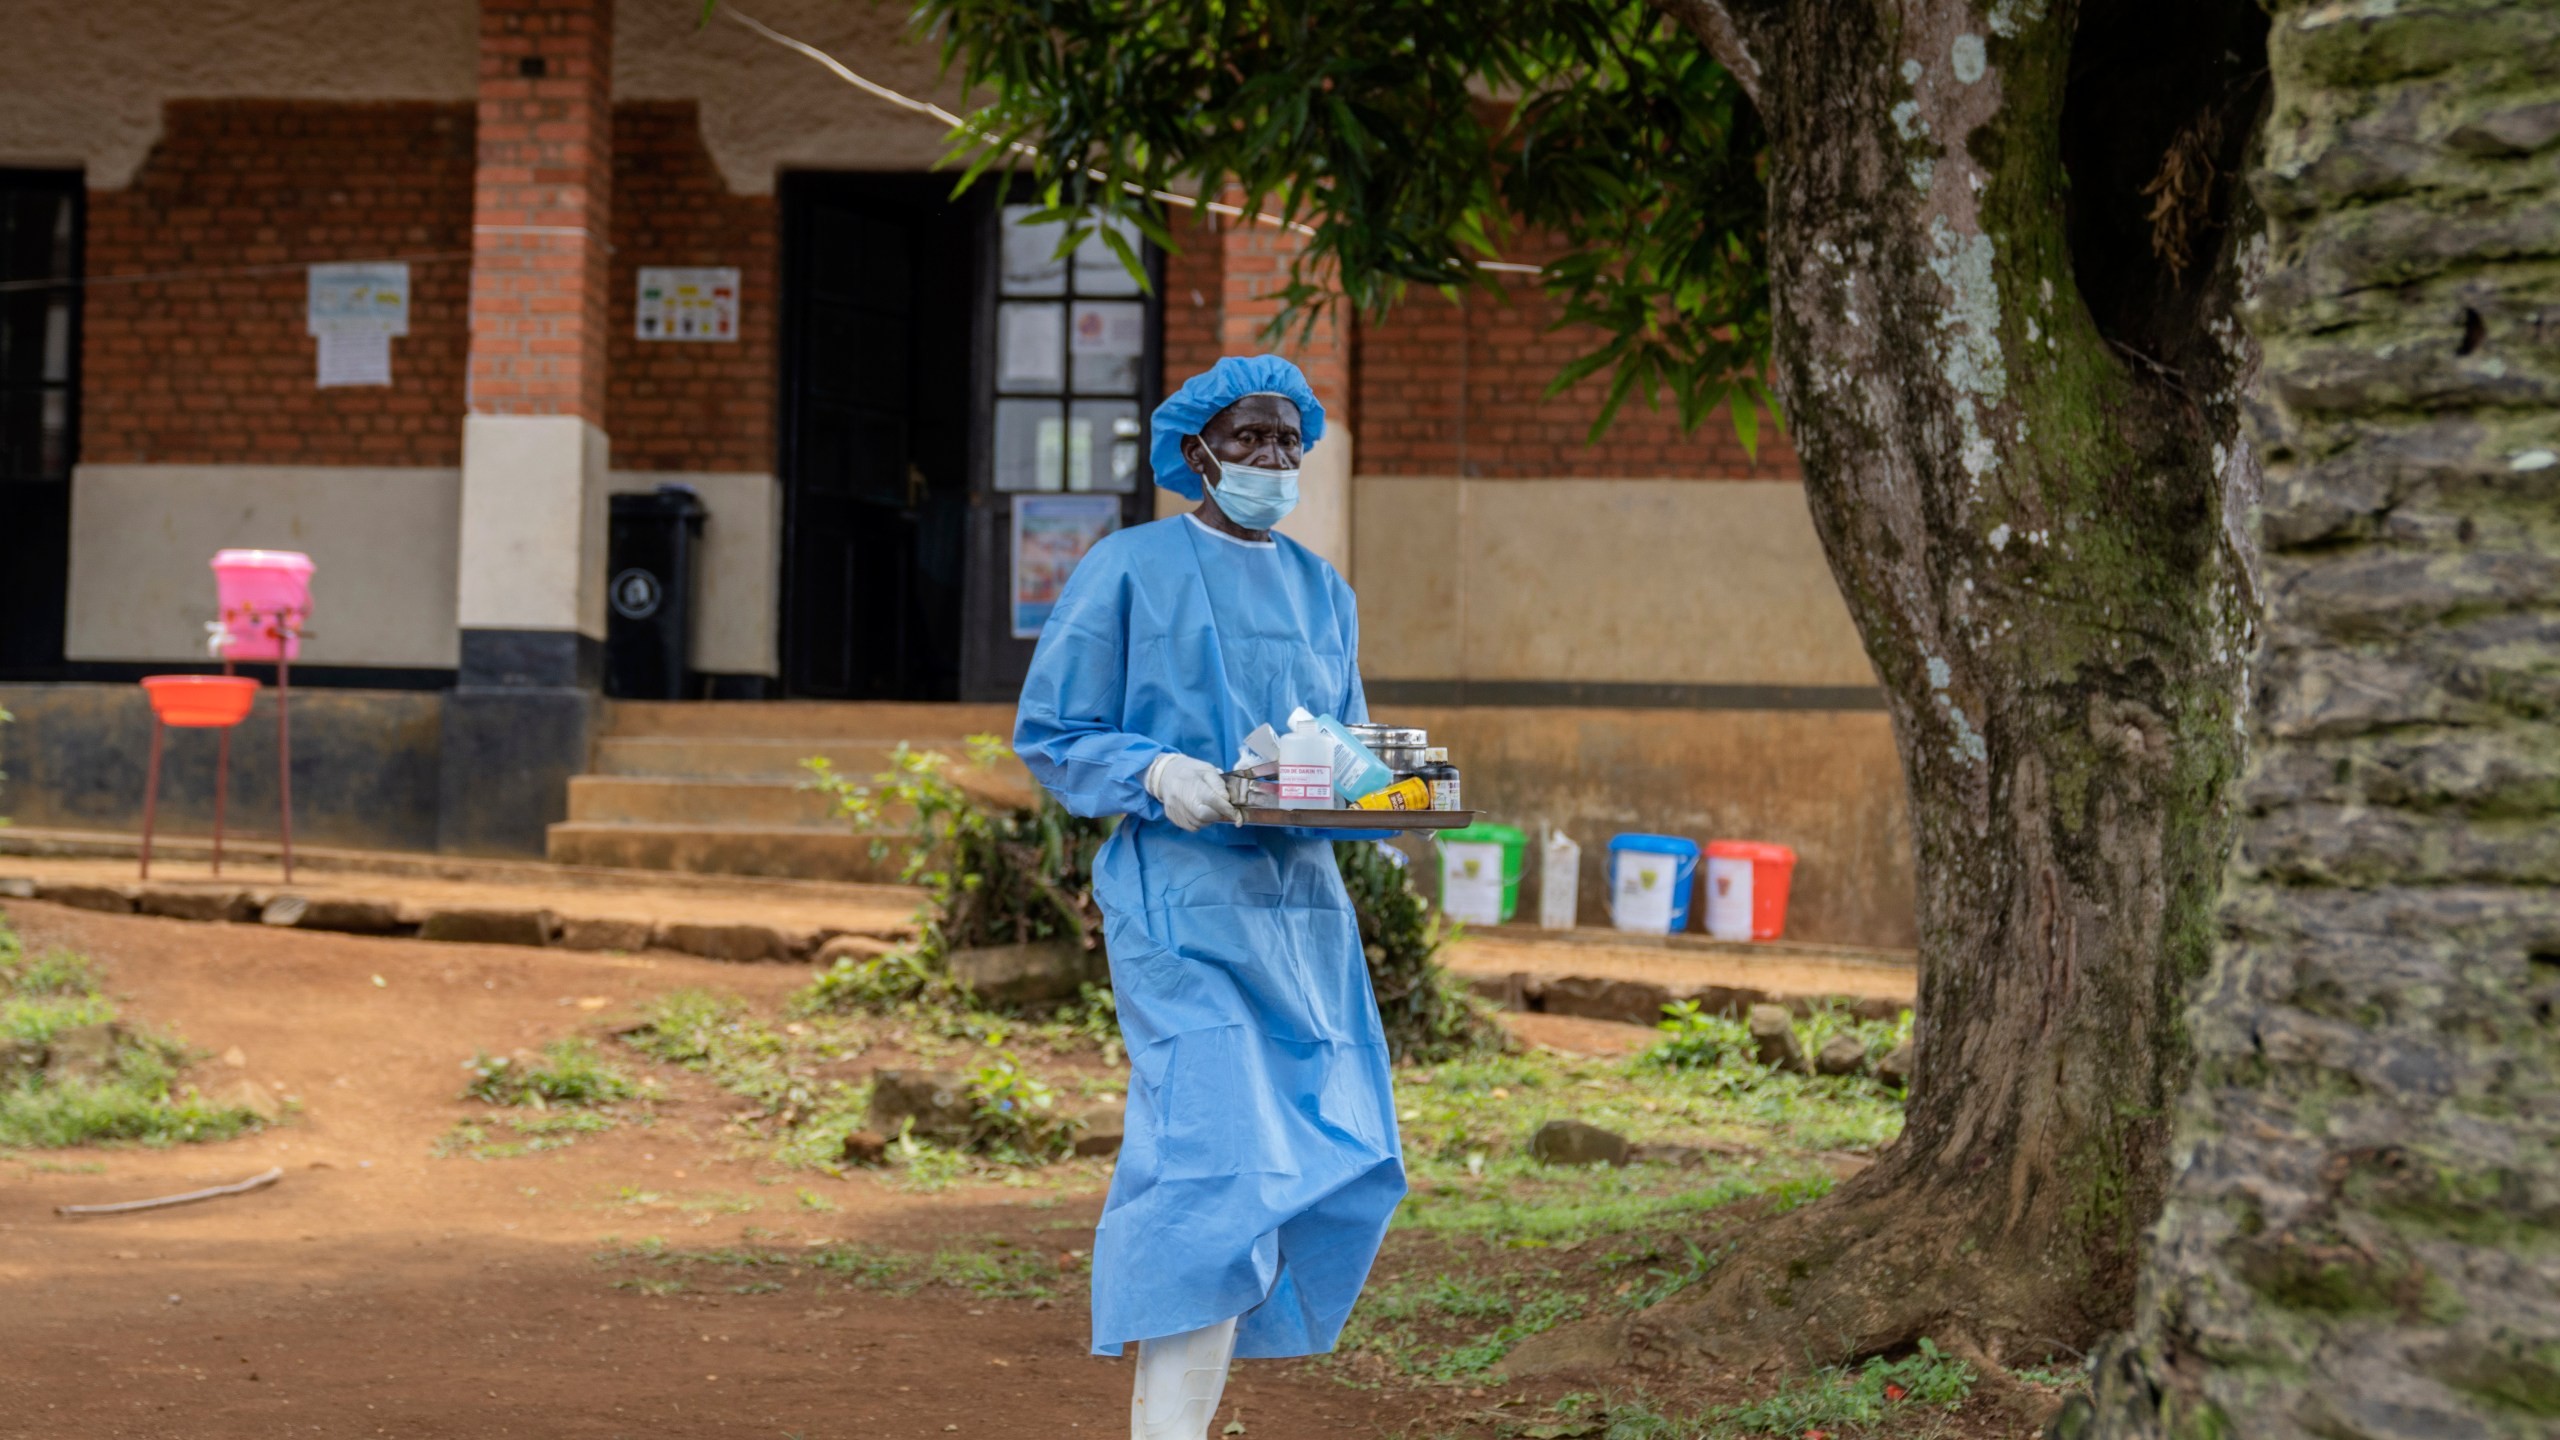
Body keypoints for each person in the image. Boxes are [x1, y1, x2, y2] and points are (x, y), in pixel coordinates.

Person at [1013, 355, 1405, 1440]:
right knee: (1214, 1158)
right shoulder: (1129, 568)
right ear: (1196, 452)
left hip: (1300, 916)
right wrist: (1154, 773)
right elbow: (1054, 732)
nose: (1275, 460)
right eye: (1250, 440)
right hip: (1179, 904)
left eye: (1290, 442)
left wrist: (1387, 802)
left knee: (1312, 1160)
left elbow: (1340, 753)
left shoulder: (1327, 592)